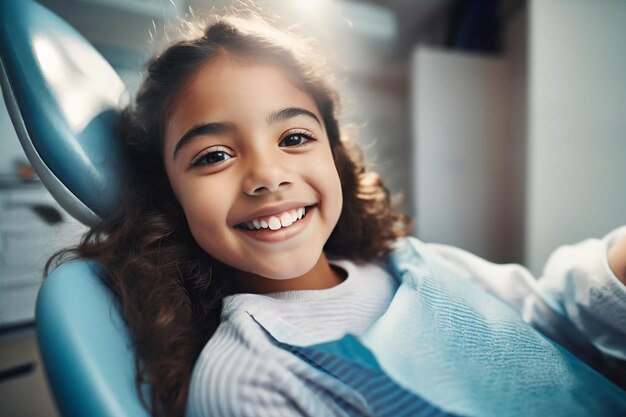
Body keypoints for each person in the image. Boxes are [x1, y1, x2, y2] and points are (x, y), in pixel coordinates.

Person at [46, 12, 626, 417]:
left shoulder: (411, 264)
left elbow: (548, 318)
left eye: (294, 136)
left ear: (334, 154)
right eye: (214, 155)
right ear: (171, 198)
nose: (268, 175)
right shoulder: (249, 380)